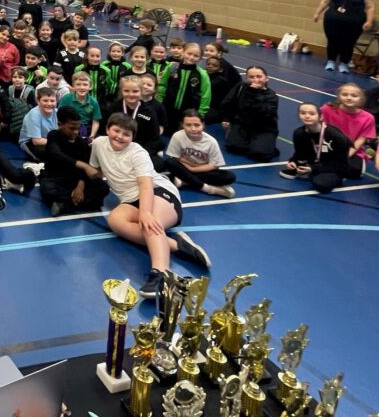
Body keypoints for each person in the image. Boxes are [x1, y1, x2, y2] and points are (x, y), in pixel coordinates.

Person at [84, 114, 210, 299]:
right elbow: (97, 170)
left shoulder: (138, 153)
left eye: (126, 134)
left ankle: (161, 274)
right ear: (107, 129)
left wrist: (145, 213)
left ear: (132, 137)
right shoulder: (98, 144)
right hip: (130, 200)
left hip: (159, 192)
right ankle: (177, 245)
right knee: (115, 220)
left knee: (150, 222)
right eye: (116, 130)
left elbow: (146, 185)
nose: (120, 136)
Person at [41, 108, 109, 217]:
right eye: (72, 128)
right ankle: (80, 202)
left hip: (75, 179)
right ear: (60, 124)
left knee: (103, 187)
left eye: (78, 128)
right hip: (55, 178)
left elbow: (83, 170)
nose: (76, 132)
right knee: (48, 190)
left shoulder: (81, 142)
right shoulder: (53, 136)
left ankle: (66, 205)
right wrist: (84, 166)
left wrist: (80, 187)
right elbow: (56, 154)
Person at [280, 103, 355, 193]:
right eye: (303, 113)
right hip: (315, 163)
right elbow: (300, 154)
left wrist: (313, 169)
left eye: (312, 114)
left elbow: (342, 166)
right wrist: (293, 161)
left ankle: (338, 178)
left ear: (321, 117)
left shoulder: (336, 136)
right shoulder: (298, 133)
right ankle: (312, 172)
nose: (307, 116)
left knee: (320, 184)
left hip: (333, 167)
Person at [313, 0, 375, 73]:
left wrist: (369, 21)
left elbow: (370, 7)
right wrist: (317, 13)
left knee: (348, 43)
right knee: (332, 41)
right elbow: (325, 1)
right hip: (332, 21)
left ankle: (344, 63)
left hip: (354, 23)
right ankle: (331, 61)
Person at [164, 110, 237, 198]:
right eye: (188, 125)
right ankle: (207, 188)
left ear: (203, 125)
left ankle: (184, 181)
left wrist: (193, 169)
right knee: (169, 162)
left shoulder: (211, 141)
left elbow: (214, 165)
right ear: (182, 125)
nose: (193, 129)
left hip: (203, 170)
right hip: (184, 167)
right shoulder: (177, 136)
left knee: (229, 176)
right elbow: (176, 157)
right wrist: (191, 166)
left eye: (197, 125)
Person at [220, 66, 280, 162]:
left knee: (261, 155)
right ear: (247, 78)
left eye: (259, 76)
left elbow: (264, 114)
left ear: (266, 78)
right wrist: (226, 118)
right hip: (242, 124)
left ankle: (267, 147)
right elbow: (228, 102)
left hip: (263, 128)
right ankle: (250, 142)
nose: (255, 80)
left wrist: (254, 93)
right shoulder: (241, 87)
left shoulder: (271, 96)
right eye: (251, 77)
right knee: (233, 147)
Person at [320, 83, 375, 168]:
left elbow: (360, 140)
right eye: (345, 95)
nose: (349, 98)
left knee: (354, 169)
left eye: (354, 96)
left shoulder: (368, 118)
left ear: (360, 98)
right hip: (327, 147)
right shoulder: (327, 109)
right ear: (339, 96)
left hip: (352, 150)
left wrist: (345, 156)